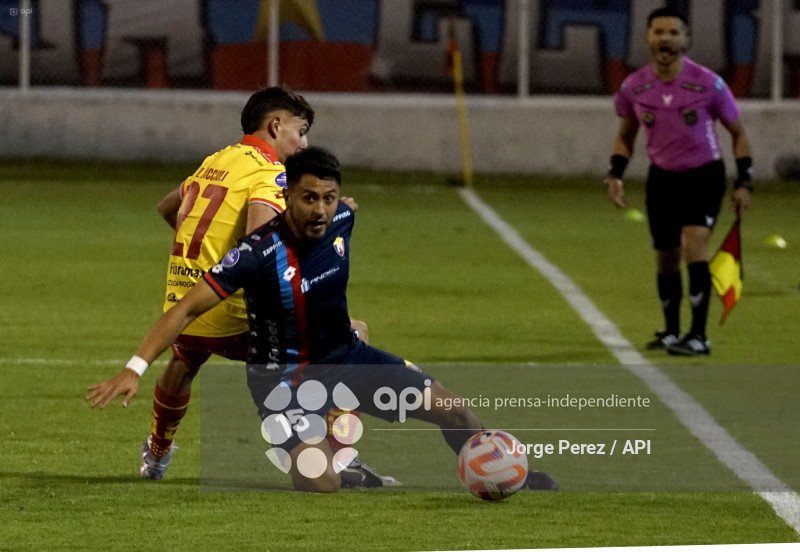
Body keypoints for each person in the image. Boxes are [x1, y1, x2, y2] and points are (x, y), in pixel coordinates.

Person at [116, 146, 559, 492]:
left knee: (457, 412)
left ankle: (504, 473)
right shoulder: (253, 255)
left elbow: (348, 208)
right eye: (309, 198)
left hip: (349, 360)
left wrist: (342, 205)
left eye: (328, 198)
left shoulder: (341, 219)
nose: (321, 210)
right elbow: (186, 308)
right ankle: (326, 457)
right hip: (283, 384)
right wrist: (135, 368)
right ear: (286, 196)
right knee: (321, 484)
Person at [86, 87, 387, 486]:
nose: (305, 143)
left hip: (185, 308)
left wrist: (209, 257)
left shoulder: (216, 160)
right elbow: (263, 242)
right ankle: (341, 457)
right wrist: (335, 220)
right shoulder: (270, 174)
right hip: (237, 321)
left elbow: (166, 208)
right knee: (353, 334)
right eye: (301, 131)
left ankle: (157, 454)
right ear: (276, 126)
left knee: (184, 363)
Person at [605, 7, 753, 356]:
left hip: (703, 175)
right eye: (659, 32)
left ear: (685, 39)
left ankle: (698, 335)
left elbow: (739, 134)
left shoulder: (708, 83)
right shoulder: (634, 86)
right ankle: (671, 331)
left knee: (693, 247)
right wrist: (615, 174)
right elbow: (625, 135)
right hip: (662, 178)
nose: (666, 39)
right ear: (648, 39)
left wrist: (744, 181)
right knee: (665, 258)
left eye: (673, 32)